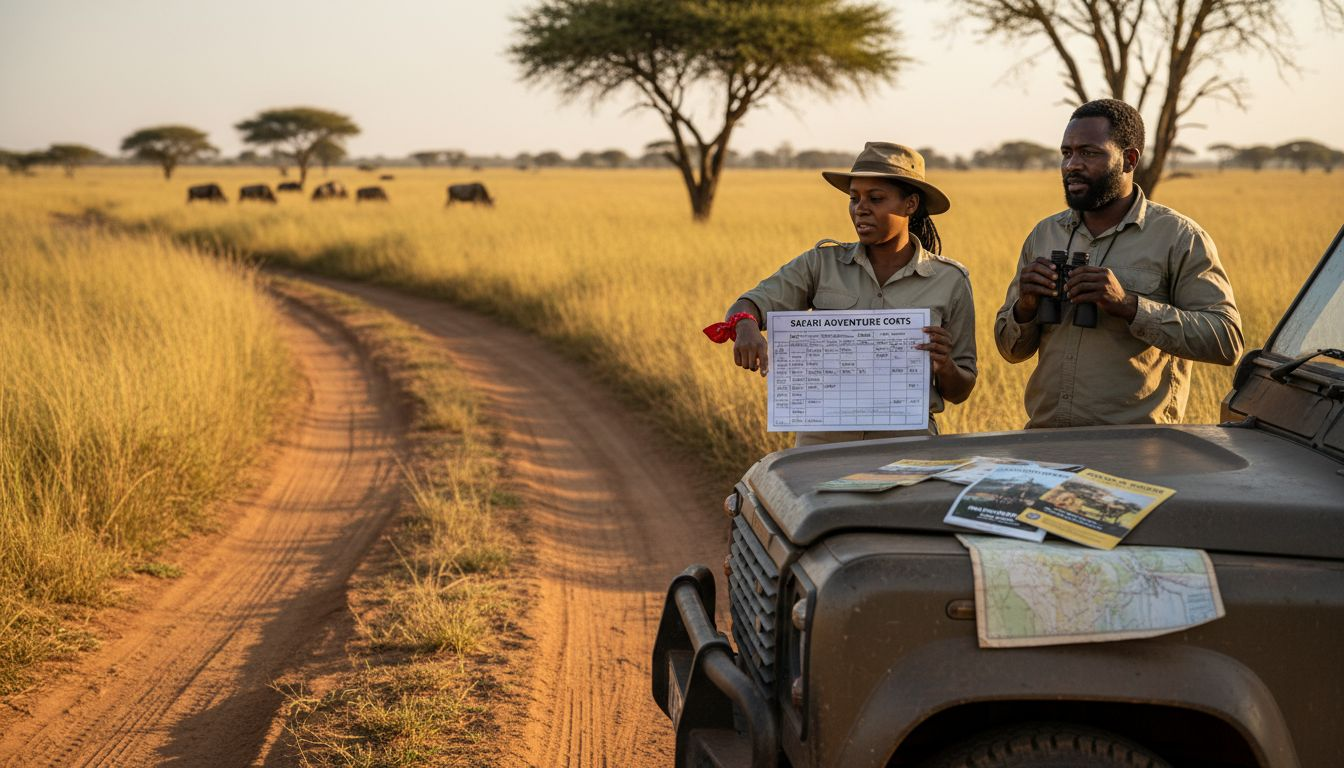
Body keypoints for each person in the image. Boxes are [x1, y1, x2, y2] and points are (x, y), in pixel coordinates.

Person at [995, 99, 1242, 427]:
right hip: (1045, 439)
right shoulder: (1045, 234)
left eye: (1089, 152)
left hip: (1136, 448)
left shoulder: (1178, 236)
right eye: (1066, 153)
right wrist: (1024, 308)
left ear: (1129, 159)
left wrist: (1129, 306)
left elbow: (1226, 340)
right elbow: (1010, 351)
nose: (1072, 165)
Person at [710, 142, 977, 447]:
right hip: (823, 439)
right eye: (854, 198)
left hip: (907, 441)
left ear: (910, 205)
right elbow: (749, 303)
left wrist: (945, 366)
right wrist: (745, 325)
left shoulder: (950, 280)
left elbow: (961, 389)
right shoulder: (820, 264)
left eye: (875, 198)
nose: (860, 208)